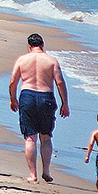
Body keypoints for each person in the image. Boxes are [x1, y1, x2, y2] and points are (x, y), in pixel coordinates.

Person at [9, 33, 69, 183]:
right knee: (46, 136)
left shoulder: (22, 60)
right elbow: (60, 83)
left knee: (30, 137)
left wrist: (13, 99)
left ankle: (32, 174)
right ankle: (46, 171)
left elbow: (13, 82)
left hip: (27, 96)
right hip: (45, 96)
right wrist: (65, 103)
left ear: (29, 46)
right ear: (42, 45)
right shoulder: (51, 60)